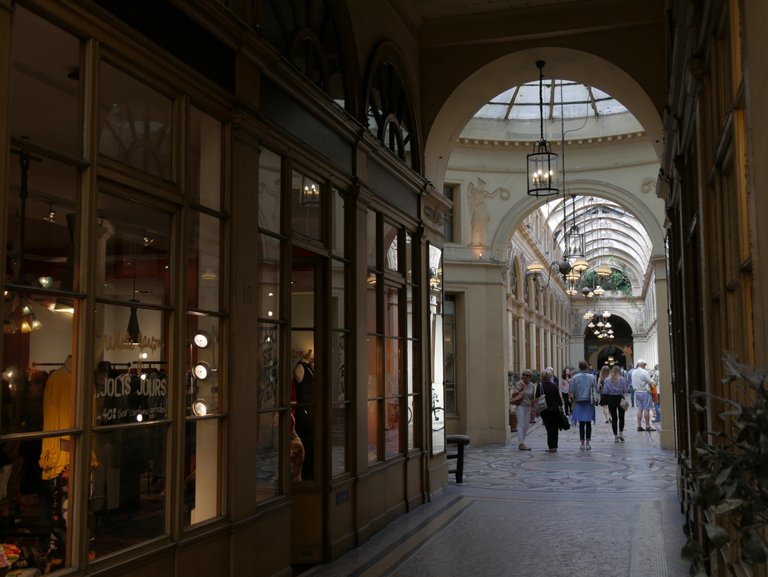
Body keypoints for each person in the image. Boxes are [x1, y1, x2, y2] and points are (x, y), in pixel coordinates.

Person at [569, 360, 597, 451]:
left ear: (579, 367)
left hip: (579, 402)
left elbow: (571, 390)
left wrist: (573, 400)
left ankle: (582, 443)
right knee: (588, 423)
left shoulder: (575, 377)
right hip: (589, 402)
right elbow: (596, 388)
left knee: (581, 423)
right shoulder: (592, 376)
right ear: (587, 367)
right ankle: (588, 443)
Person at [509, 369, 536, 450]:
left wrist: (533, 408)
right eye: (523, 374)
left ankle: (522, 441)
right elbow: (513, 395)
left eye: (527, 375)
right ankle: (521, 443)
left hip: (528, 407)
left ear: (530, 377)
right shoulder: (519, 383)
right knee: (521, 424)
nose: (525, 376)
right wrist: (520, 389)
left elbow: (532, 398)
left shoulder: (532, 385)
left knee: (526, 425)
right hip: (520, 406)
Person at [602, 365, 629, 442]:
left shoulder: (607, 380)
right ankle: (621, 433)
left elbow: (605, 391)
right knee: (621, 417)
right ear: (619, 371)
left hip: (611, 399)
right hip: (620, 398)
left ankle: (615, 437)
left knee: (614, 418)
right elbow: (625, 390)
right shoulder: (622, 379)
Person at [539, 369, 563, 453]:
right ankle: (555, 446)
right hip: (555, 409)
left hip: (545, 410)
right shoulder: (554, 386)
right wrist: (561, 406)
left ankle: (551, 447)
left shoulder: (540, 386)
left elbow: (537, 398)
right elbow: (558, 398)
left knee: (549, 428)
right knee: (555, 428)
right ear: (550, 377)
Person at [632, 359, 657, 431]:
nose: (645, 366)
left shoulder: (634, 372)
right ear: (641, 364)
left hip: (637, 393)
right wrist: (654, 381)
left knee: (639, 409)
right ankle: (647, 426)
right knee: (646, 409)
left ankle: (639, 426)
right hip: (645, 393)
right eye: (644, 364)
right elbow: (651, 382)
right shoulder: (644, 372)